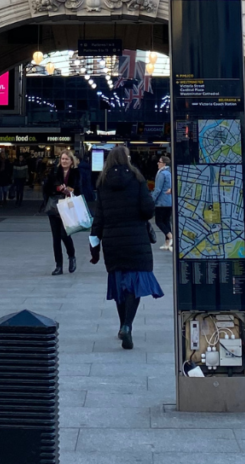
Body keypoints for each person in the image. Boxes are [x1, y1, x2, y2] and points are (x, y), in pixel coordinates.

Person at [89, 145, 164, 350]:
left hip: (112, 241)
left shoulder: (103, 183)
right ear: (127, 159)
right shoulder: (138, 179)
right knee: (134, 284)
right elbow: (148, 210)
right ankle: (127, 325)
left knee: (119, 283)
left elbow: (99, 217)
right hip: (136, 239)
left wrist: (94, 245)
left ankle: (122, 324)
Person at [44, 149, 79, 275]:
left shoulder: (75, 173)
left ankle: (72, 256)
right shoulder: (54, 172)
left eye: (66, 159)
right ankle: (58, 265)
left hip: (68, 206)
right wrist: (58, 188)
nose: (64, 161)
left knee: (65, 234)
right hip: (55, 207)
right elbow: (47, 187)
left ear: (71, 161)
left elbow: (79, 188)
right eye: (62, 159)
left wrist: (69, 190)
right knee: (56, 238)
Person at [151, 156, 173, 251]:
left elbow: (158, 189)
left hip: (161, 202)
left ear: (164, 164)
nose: (157, 163)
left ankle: (171, 236)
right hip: (169, 202)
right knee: (166, 221)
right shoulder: (169, 173)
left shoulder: (161, 174)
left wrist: (152, 199)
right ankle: (167, 243)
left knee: (159, 221)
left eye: (159, 162)